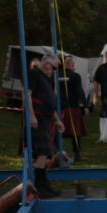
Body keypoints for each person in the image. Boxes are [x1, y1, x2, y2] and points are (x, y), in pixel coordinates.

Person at [21, 53, 64, 198]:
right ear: (46, 64)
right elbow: (27, 94)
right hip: (37, 117)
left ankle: (43, 184)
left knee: (45, 152)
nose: (54, 71)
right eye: (54, 67)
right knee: (42, 151)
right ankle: (39, 185)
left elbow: (48, 101)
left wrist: (57, 120)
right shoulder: (34, 73)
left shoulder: (46, 78)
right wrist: (31, 115)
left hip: (45, 118)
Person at [57, 55, 88, 161]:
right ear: (72, 64)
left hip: (59, 108)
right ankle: (77, 154)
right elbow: (79, 91)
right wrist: (85, 105)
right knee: (76, 133)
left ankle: (56, 153)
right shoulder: (75, 76)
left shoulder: (56, 75)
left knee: (58, 131)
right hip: (73, 108)